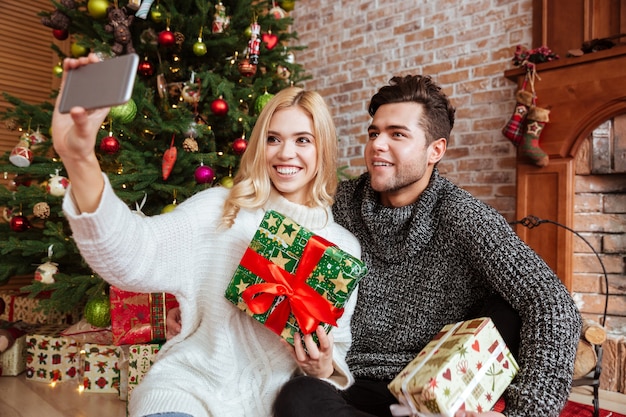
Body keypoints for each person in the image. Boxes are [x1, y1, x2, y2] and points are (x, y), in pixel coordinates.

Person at [52, 53, 361, 417]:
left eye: (303, 140)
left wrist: (321, 367)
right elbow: (133, 253)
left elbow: (334, 351)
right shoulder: (220, 209)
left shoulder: (341, 248)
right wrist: (80, 160)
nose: (286, 153)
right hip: (186, 393)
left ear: (322, 148)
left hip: (272, 407)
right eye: (273, 138)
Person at [271, 75, 582, 417]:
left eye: (397, 134)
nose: (377, 144)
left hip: (429, 392)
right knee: (297, 396)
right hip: (351, 380)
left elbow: (551, 301)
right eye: (374, 133)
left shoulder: (463, 217)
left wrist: (524, 413)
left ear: (436, 150)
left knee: (509, 307)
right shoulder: (338, 203)